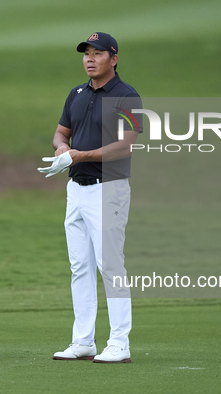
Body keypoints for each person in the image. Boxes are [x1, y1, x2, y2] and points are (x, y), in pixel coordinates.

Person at [38, 32, 142, 363]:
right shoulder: (77, 94)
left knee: (110, 265)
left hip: (109, 188)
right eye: (86, 53)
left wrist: (82, 155)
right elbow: (60, 132)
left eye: (98, 53)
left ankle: (119, 343)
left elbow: (126, 143)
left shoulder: (128, 96)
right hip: (76, 190)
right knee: (80, 266)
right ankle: (83, 340)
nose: (90, 59)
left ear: (113, 58)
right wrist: (63, 149)